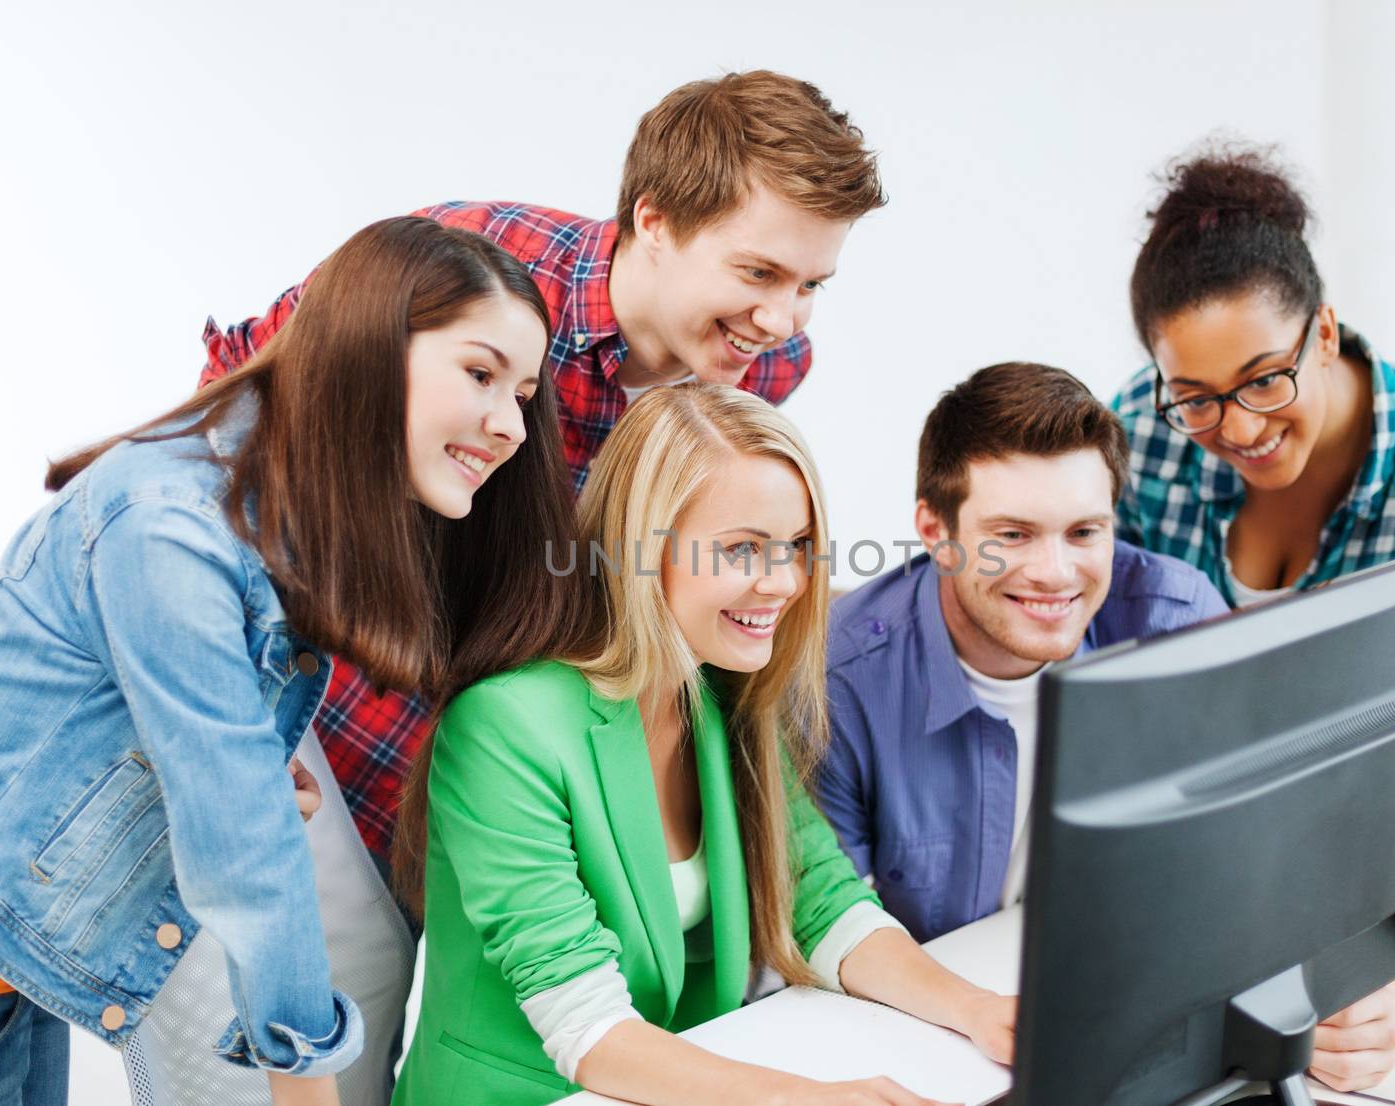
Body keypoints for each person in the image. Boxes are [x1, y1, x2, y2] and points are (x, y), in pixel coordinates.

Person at [197, 69, 887, 905]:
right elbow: (234, 412)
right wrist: (229, 724)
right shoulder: (474, 268)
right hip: (314, 722)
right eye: (759, 274)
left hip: (487, 769)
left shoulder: (766, 368)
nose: (782, 320)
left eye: (811, 286)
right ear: (656, 224)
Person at [0, 215, 582, 1106]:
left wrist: (228, 768)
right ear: (367, 350)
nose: (511, 428)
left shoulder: (282, 501)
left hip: (4, 962)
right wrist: (306, 1085)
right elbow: (246, 857)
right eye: (481, 374)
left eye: (523, 394)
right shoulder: (174, 526)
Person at [392, 384, 1014, 1106]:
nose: (783, 582)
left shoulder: (721, 694)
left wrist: (975, 1010)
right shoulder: (506, 726)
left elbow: (821, 903)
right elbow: (586, 1027)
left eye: (798, 547)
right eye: (743, 550)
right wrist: (802, 1098)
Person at [816, 362, 1395, 1094]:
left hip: (1137, 1014)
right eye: (1013, 534)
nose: (1055, 572)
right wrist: (972, 1012)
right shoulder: (841, 676)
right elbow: (822, 916)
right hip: (931, 1039)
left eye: (1084, 532)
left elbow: (1276, 840)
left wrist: (1342, 978)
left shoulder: (1176, 622)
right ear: (937, 532)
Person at [1109, 143, 1395, 834]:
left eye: (1263, 378)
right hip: (1197, 811)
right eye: (1195, 397)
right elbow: (1112, 627)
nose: (1240, 426)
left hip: (1369, 815)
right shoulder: (1140, 432)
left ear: (1322, 331)